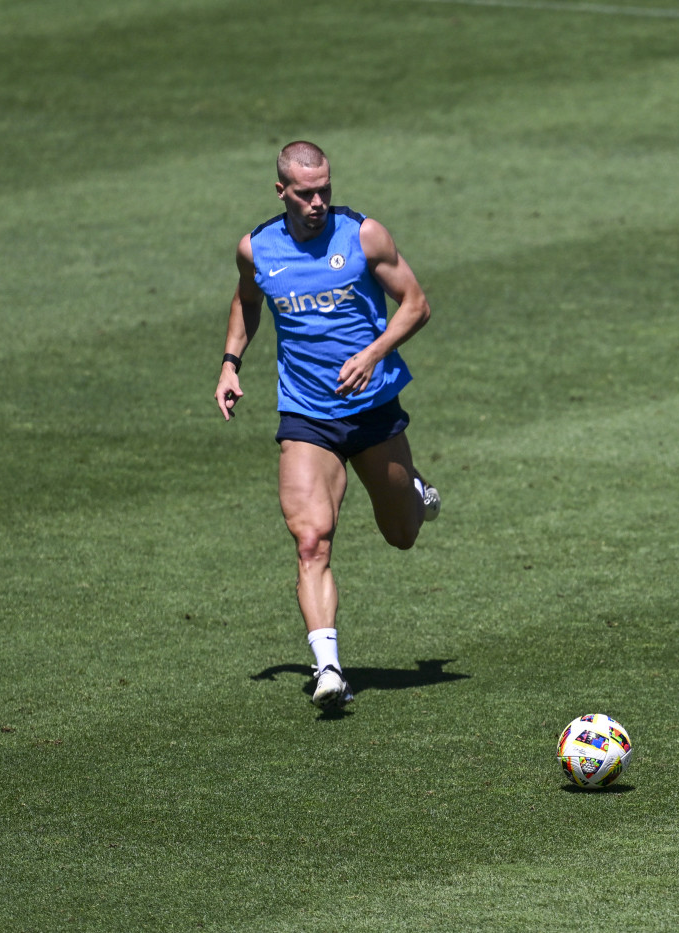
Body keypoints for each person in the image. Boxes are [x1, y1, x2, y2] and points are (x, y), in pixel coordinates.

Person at [215, 140, 441, 711]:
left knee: (402, 535)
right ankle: (328, 668)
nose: (318, 202)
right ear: (282, 191)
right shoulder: (257, 247)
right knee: (311, 538)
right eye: (306, 193)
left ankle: (413, 490)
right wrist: (230, 363)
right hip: (306, 413)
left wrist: (373, 353)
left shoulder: (364, 235)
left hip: (372, 411)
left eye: (325, 190)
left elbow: (415, 303)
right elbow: (247, 302)